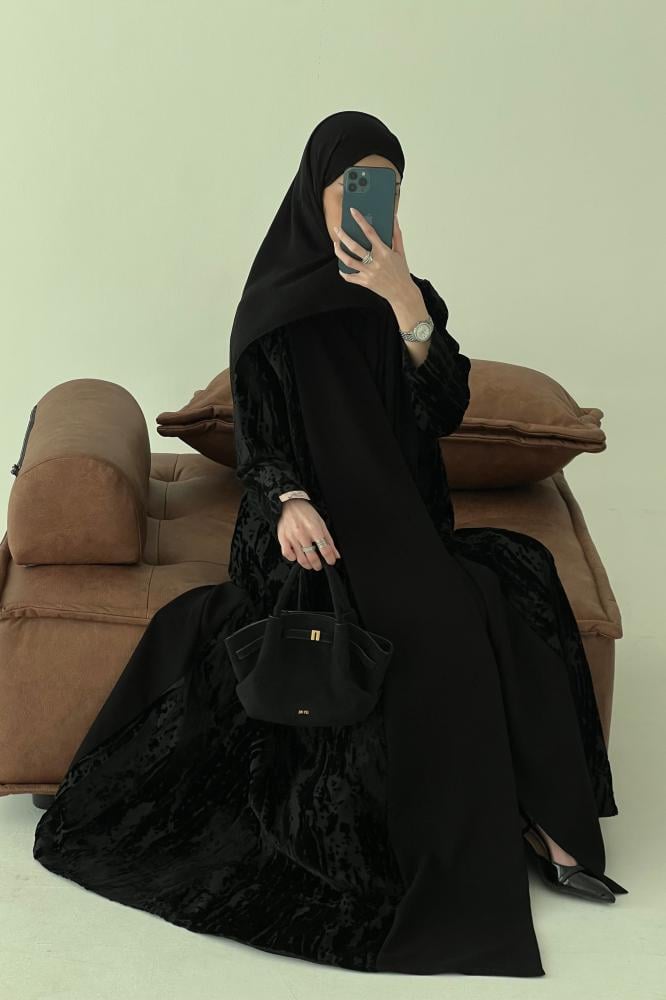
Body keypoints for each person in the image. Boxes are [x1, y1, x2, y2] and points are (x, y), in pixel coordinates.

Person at [33, 110, 628, 978]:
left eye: (387, 185)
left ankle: (541, 824)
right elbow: (263, 437)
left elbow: (445, 409)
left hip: (401, 516)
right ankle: (498, 838)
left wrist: (404, 302)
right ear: (315, 191)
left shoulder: (412, 301)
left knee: (496, 589)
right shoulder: (270, 309)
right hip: (302, 526)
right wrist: (287, 501)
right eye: (354, 183)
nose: (369, 200)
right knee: (427, 618)